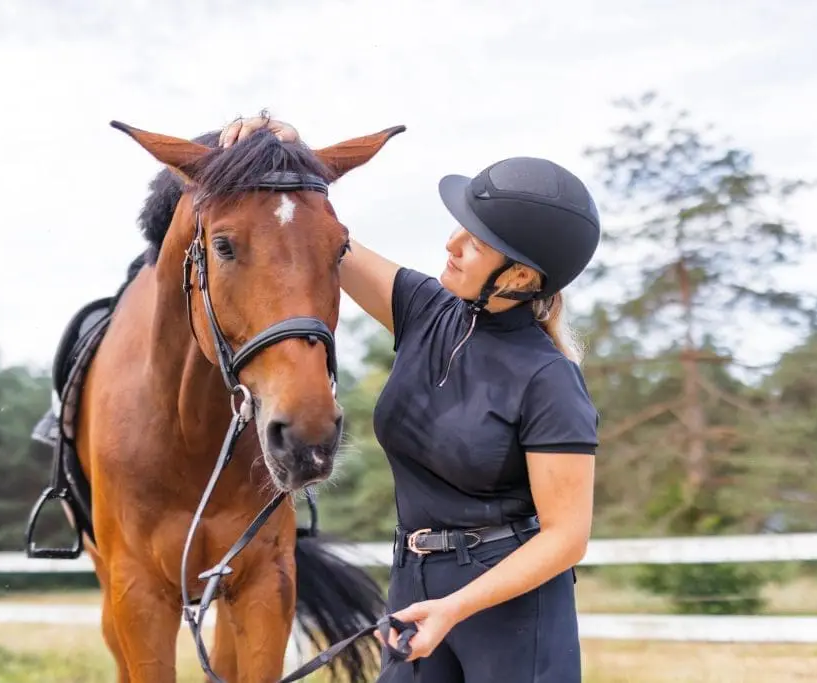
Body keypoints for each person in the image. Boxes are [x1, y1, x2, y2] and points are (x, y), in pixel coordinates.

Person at [220, 116, 601, 683]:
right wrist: (280, 156)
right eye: (458, 227)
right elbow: (311, 235)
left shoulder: (548, 379)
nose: (451, 243)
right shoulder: (425, 311)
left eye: (475, 242)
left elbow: (566, 538)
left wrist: (454, 608)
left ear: (520, 279)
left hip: (511, 614)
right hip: (415, 583)